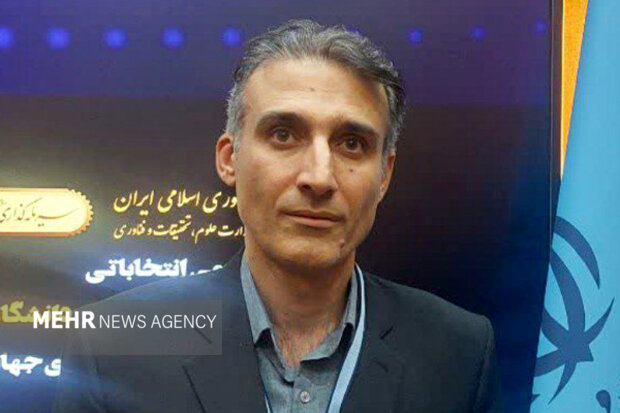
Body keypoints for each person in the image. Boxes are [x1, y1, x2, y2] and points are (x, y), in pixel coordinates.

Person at [54, 19, 502, 412]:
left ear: (384, 174)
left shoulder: (456, 350)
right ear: (230, 159)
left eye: (351, 144)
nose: (319, 177)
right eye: (284, 134)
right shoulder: (115, 343)